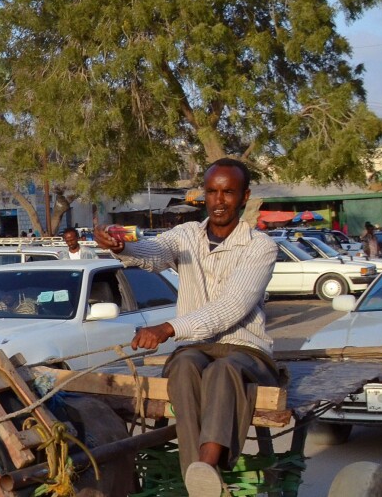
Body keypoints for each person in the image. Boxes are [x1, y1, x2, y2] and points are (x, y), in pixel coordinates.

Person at [95, 158, 279, 497]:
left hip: (247, 351)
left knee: (223, 371)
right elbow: (154, 251)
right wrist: (124, 247)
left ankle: (205, 468)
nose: (218, 200)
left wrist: (168, 328)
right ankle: (202, 482)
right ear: (203, 196)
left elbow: (231, 308)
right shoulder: (186, 235)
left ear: (244, 196)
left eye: (227, 192)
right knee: (182, 365)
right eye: (211, 191)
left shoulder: (260, 247)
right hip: (196, 349)